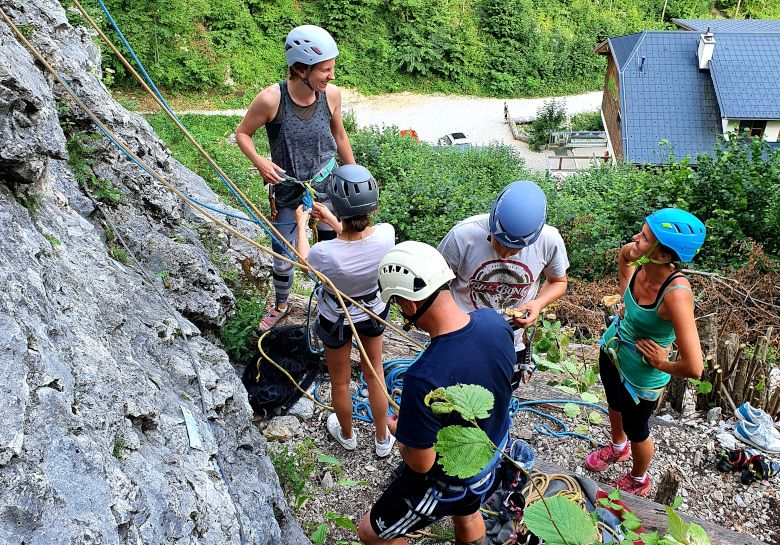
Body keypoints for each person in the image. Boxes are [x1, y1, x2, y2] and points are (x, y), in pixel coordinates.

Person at [357, 241, 515, 544]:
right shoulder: (494, 322)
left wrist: (402, 433)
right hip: (493, 452)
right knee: (468, 514)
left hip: (452, 481)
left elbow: (422, 464)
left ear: (409, 306)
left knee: (371, 533)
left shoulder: (423, 379)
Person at [236, 24, 355, 331]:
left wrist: (354, 176)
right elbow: (243, 134)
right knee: (282, 252)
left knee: (332, 248)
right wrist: (260, 161)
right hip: (287, 188)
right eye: (325, 70)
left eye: (331, 69)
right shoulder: (271, 100)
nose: (331, 76)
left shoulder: (331, 95)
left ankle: (330, 301)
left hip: (327, 184)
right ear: (302, 69)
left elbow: (339, 136)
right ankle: (281, 304)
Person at [584, 208, 706, 496]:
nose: (635, 238)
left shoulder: (675, 295)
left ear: (663, 255)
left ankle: (639, 478)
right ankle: (617, 447)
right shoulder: (639, 257)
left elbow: (694, 367)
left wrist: (662, 363)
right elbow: (624, 257)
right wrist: (625, 293)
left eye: (644, 237)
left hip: (642, 376)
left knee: (637, 426)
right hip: (614, 350)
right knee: (613, 402)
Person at [294, 164, 396, 457]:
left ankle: (348, 435)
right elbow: (359, 245)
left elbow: (304, 262)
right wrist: (332, 220)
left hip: (336, 319)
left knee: (341, 380)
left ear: (337, 206)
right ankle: (380, 440)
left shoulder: (325, 253)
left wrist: (302, 224)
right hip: (373, 312)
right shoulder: (386, 235)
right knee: (374, 372)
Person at [437, 180, 569, 386]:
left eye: (515, 250)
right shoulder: (463, 236)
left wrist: (538, 303)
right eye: (499, 243)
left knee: (501, 394)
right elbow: (437, 284)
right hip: (460, 331)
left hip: (511, 338)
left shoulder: (549, 241)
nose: (505, 256)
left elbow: (558, 281)